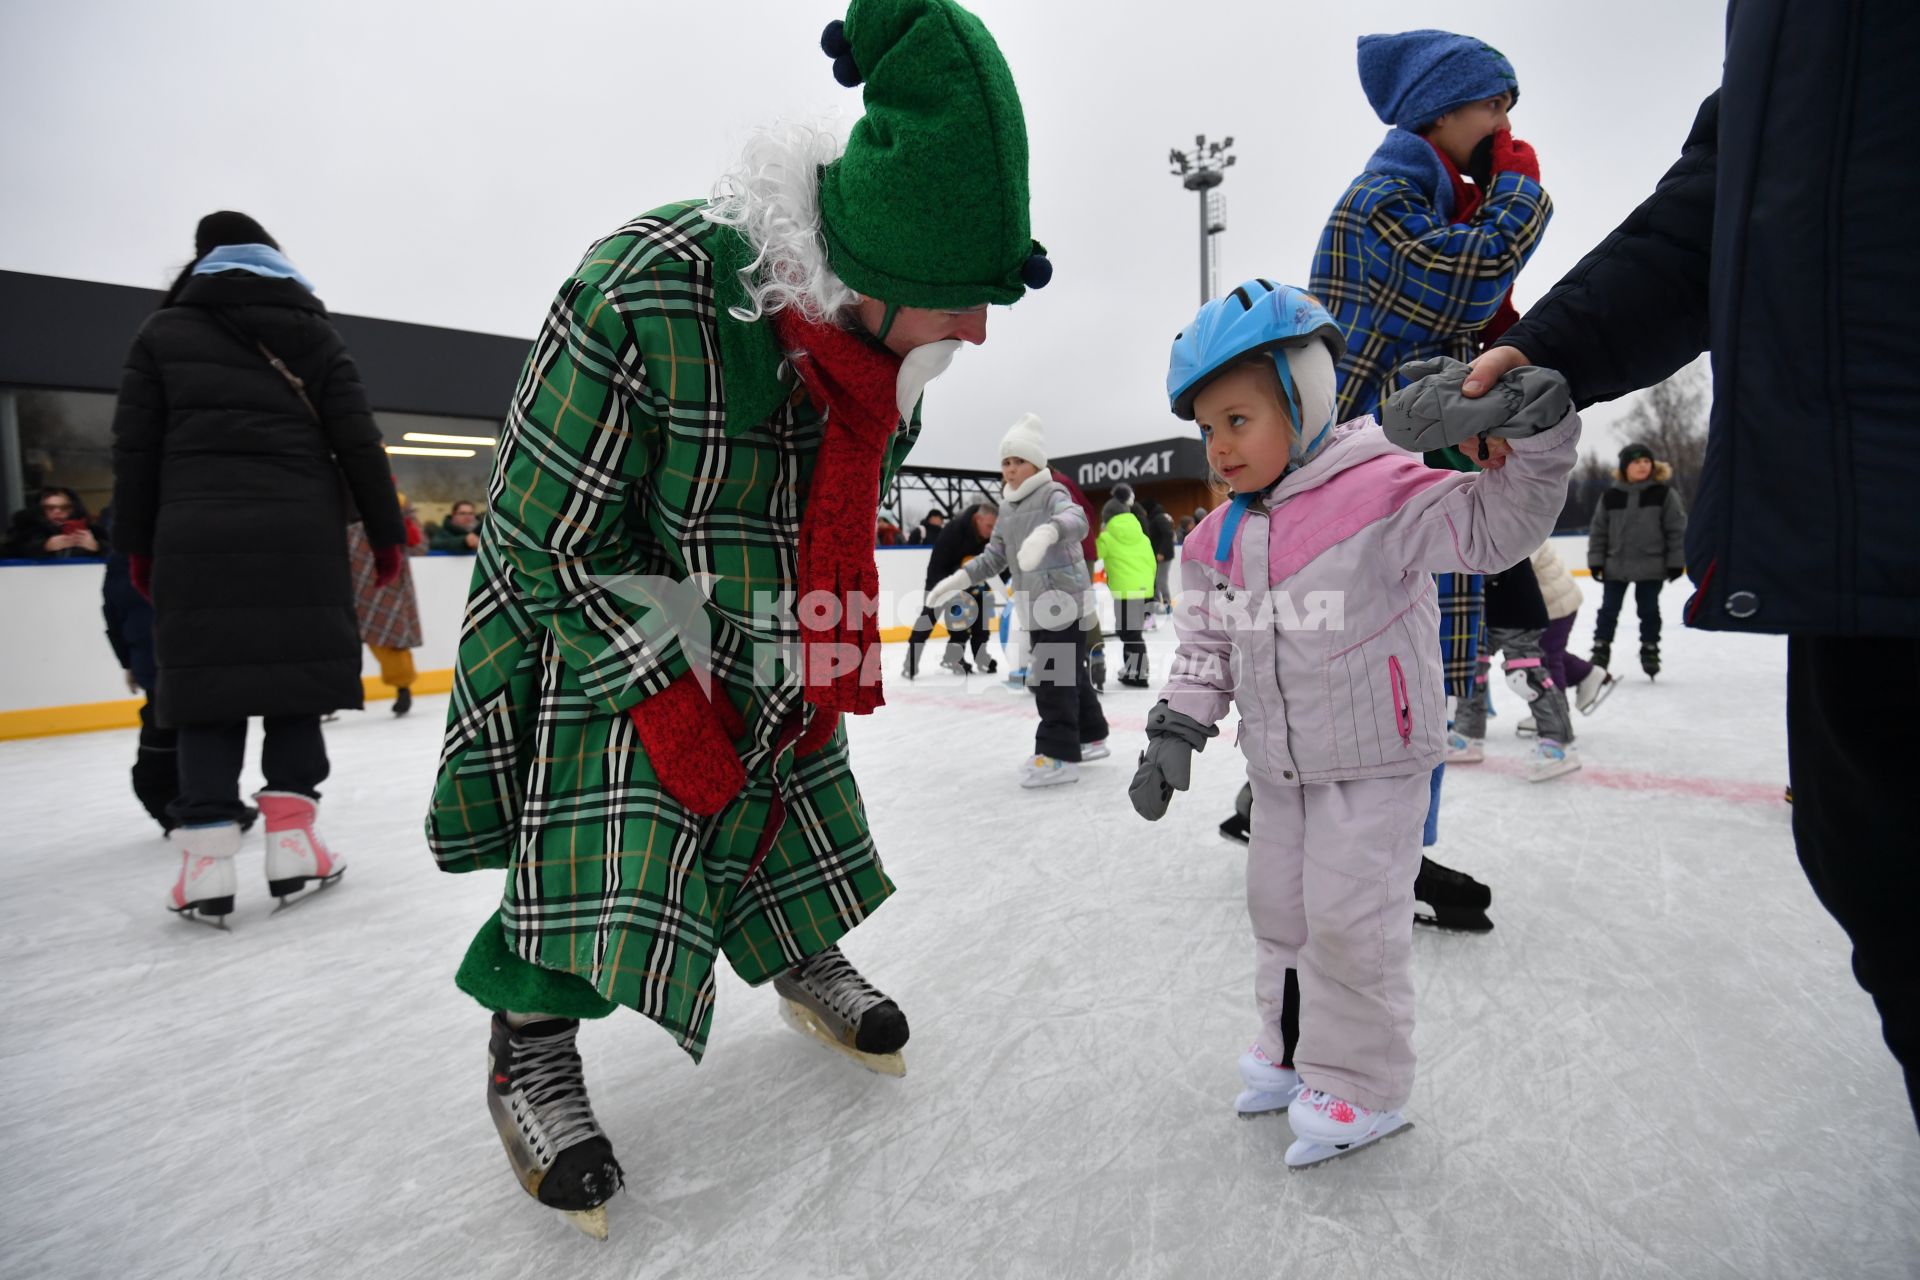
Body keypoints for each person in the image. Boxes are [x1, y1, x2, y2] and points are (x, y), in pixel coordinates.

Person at [423, 0, 1053, 1235]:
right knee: (622, 792)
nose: (976, 328)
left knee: (797, 744)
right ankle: (529, 1036)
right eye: (955, 299)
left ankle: (800, 951)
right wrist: (667, 685)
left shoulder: (892, 355)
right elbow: (544, 537)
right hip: (598, 599)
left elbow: (829, 505)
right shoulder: (637, 291)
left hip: (759, 589)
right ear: (868, 273)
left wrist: (813, 652)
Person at [1461, 1, 1920, 1126]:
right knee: (1878, 869)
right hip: (1857, 525)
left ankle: (1561, 692)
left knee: (1558, 634)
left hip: (1858, 490)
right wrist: (1552, 345)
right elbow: (1725, 202)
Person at [1131, 280, 1578, 1166]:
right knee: (1279, 913)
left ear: (1302, 399)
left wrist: (1534, 442)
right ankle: (1295, 1053)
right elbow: (1207, 650)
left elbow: (1495, 532)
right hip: (1281, 766)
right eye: (1208, 428)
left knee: (1351, 923)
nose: (1219, 448)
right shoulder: (1213, 540)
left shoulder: (1382, 488)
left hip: (1375, 759)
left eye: (1239, 420)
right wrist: (1175, 731)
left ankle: (1365, 1088)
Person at [1305, 27, 1554, 923]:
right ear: (1443, 109)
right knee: (1385, 674)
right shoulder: (1381, 201)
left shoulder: (1434, 198)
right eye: (1495, 105)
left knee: (1414, 676)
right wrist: (1520, 190)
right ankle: (1364, 851)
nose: (1503, 125)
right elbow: (1471, 279)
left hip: (1404, 473)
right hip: (1364, 485)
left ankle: (1383, 845)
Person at [109, 210, 405, 924]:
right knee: (295, 683)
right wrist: (385, 536)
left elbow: (134, 453)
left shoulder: (162, 334)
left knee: (206, 692)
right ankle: (296, 843)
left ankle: (205, 865)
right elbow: (359, 443)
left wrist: (138, 547)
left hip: (193, 533)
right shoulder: (314, 332)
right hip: (299, 534)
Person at [929, 413, 1108, 788]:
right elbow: (995, 555)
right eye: (1005, 463)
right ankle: (1091, 736)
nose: (1010, 470)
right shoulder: (1008, 506)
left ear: (1036, 463)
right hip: (1036, 606)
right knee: (1067, 674)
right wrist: (958, 579)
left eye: (1018, 461)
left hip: (1064, 603)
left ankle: (1058, 757)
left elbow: (1077, 519)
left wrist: (1048, 531)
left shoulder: (1052, 492)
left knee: (1051, 678)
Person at [1445, 560, 1581, 780]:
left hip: (1517, 607)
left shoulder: (1498, 528)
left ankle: (1559, 743)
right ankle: (1468, 735)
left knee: (1525, 678)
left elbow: (1494, 558)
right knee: (1471, 670)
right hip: (1479, 610)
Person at [99, 506, 178, 831]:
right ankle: (175, 803)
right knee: (175, 728)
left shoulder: (127, 538)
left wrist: (128, 660)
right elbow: (115, 606)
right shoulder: (130, 541)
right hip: (167, 652)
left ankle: (202, 802)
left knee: (184, 727)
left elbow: (113, 608)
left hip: (165, 652)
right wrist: (129, 661)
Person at [1587, 441, 1686, 678]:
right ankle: (1601, 648)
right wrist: (1596, 560)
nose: (1642, 466)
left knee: (1649, 610)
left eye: (1646, 461)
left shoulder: (1663, 495)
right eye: (1636, 462)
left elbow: (1676, 529)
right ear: (1624, 467)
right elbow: (1599, 530)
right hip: (1616, 565)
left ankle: (1650, 648)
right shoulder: (1611, 496)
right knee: (1609, 610)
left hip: (1651, 564)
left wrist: (1675, 561)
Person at [348, 483, 425, 717]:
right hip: (345, 570)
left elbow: (417, 544)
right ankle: (332, 691)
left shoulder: (397, 500)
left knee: (389, 634)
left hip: (386, 575)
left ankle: (403, 687)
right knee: (335, 634)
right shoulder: (337, 495)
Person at [904, 502, 997, 678]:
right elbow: (939, 563)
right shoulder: (954, 530)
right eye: (989, 526)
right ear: (978, 519)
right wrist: (943, 590)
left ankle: (970, 657)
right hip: (941, 577)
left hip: (970, 579)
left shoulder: (988, 536)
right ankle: (911, 660)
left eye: (994, 527)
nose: (991, 532)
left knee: (979, 617)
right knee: (929, 617)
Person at [1529, 537, 1612, 723]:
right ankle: (1587, 673)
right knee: (1544, 651)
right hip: (1552, 601)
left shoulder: (1521, 532)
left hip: (1556, 604)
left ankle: (1556, 712)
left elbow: (1514, 566)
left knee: (1547, 656)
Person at [1096, 493, 1155, 687]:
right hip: (1144, 589)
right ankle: (1132, 668)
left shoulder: (1107, 537)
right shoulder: (1142, 536)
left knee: (1129, 633)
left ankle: (1139, 672)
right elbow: (1151, 562)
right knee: (1131, 631)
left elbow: (1094, 556)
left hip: (1125, 591)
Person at [4, 486, 105, 558]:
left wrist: (97, 547)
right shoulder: (26, 531)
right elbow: (10, 551)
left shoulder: (93, 532)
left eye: (64, 507)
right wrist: (44, 546)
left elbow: (116, 556)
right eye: (49, 508)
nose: (57, 512)